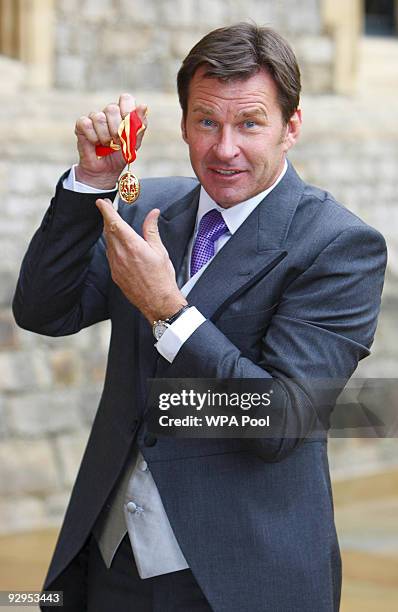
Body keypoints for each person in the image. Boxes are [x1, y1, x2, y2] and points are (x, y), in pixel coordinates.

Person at [13, 22, 386, 612]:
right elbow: (42, 311)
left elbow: (282, 422)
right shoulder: (144, 207)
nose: (224, 147)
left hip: (241, 579)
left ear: (291, 127)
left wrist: (169, 310)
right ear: (184, 122)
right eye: (206, 121)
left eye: (250, 123)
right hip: (109, 565)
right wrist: (90, 183)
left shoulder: (339, 245)